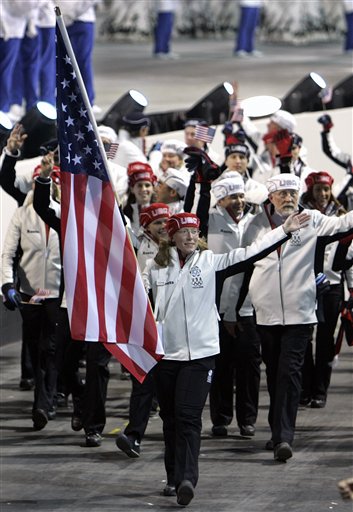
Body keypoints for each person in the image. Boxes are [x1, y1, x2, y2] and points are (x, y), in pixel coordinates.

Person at [143, 210, 309, 506]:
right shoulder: (154, 267)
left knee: (189, 416)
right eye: (184, 231)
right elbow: (134, 296)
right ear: (171, 236)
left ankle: (187, 480)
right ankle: (172, 475)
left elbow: (250, 252)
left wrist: (283, 230)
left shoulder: (210, 262)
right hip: (166, 355)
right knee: (170, 419)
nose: (191, 236)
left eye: (195, 232)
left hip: (202, 355)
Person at [241, 173, 353, 462]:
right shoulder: (255, 224)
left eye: (293, 193)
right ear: (272, 197)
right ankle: (277, 429)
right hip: (265, 313)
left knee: (290, 374)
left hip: (300, 312)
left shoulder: (312, 219)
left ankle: (283, 437)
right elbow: (244, 260)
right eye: (282, 194)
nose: (289, 198)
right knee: (275, 372)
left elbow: (343, 224)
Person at [1, 162, 61, 430]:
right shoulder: (22, 215)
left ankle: (53, 398)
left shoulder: (65, 214)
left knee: (53, 350)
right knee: (39, 350)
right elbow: (8, 254)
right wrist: (6, 285)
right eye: (41, 181)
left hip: (61, 297)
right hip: (31, 295)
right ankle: (43, 404)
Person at [207, 172, 262, 438]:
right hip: (216, 310)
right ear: (220, 200)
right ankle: (220, 418)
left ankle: (247, 419)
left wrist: (238, 311)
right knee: (220, 366)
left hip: (248, 308)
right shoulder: (210, 221)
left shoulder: (255, 221)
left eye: (241, 195)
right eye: (232, 196)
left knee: (249, 367)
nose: (239, 201)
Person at [115, 203, 170, 458]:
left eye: (166, 222)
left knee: (170, 390)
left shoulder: (180, 248)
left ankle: (176, 439)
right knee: (143, 382)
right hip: (147, 326)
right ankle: (134, 435)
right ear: (146, 224)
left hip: (176, 330)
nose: (163, 227)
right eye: (158, 222)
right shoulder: (136, 244)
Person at [300, 171, 352, 408]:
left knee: (325, 340)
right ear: (310, 191)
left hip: (331, 286)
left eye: (326, 190)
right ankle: (305, 388)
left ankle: (320, 391)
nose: (323, 194)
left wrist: (351, 289)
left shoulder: (341, 216)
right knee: (302, 339)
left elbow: (349, 256)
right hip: (303, 285)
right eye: (318, 189)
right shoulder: (300, 215)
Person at [123, 162, 156, 237]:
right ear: (132, 189)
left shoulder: (162, 211)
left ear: (153, 188)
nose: (144, 189)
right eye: (139, 185)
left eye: (147, 185)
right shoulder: (125, 211)